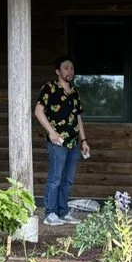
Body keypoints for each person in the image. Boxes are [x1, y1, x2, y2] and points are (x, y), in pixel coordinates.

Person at [34, 55, 91, 226]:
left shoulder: (75, 92)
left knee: (68, 179)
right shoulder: (49, 88)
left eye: (72, 68)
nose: (70, 71)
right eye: (66, 68)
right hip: (58, 142)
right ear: (58, 71)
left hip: (74, 143)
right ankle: (51, 213)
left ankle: (63, 211)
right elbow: (38, 111)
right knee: (55, 178)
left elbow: (78, 118)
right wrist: (51, 132)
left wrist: (84, 140)